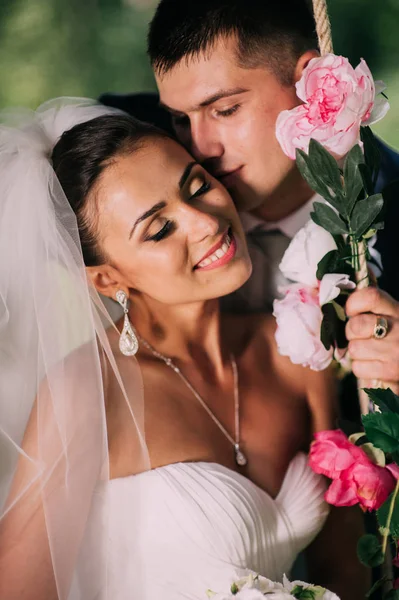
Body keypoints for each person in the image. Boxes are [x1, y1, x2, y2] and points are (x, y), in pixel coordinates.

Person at [0, 100, 370, 600]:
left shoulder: (296, 351)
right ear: (109, 278)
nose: (205, 222)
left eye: (197, 186)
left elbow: (345, 571)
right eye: (159, 228)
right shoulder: (86, 392)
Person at [101, 0, 399, 403]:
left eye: (224, 110)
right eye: (179, 119)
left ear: (310, 83)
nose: (199, 147)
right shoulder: (125, 152)